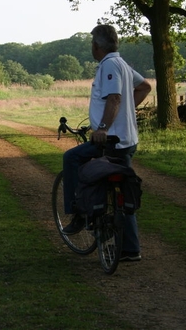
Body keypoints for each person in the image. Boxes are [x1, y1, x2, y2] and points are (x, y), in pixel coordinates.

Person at [61, 24, 152, 262]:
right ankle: (130, 249)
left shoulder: (109, 66)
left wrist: (103, 127)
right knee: (123, 191)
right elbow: (145, 87)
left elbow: (114, 98)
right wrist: (126, 111)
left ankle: (77, 213)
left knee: (71, 158)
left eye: (92, 43)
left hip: (111, 140)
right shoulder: (122, 64)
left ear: (97, 46)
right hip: (128, 140)